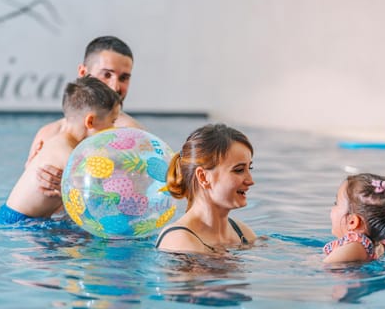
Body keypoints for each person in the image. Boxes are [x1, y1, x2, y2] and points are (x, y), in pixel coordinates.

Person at [0, 76, 121, 224]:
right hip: (17, 223)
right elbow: (96, 197)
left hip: (30, 221)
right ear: (90, 121)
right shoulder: (66, 151)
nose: (114, 130)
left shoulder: (66, 144)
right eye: (112, 122)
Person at [26, 35, 142, 167]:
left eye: (124, 77)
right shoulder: (48, 134)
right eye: (107, 75)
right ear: (83, 72)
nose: (115, 86)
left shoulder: (131, 135)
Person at [155, 123, 257, 254]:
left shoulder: (242, 233)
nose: (250, 181)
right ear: (203, 177)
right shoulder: (179, 240)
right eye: (239, 170)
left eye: (250, 168)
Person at [323, 173, 385, 263]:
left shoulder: (355, 247)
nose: (332, 208)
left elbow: (324, 267)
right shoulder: (379, 244)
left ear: (352, 222)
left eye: (336, 203)